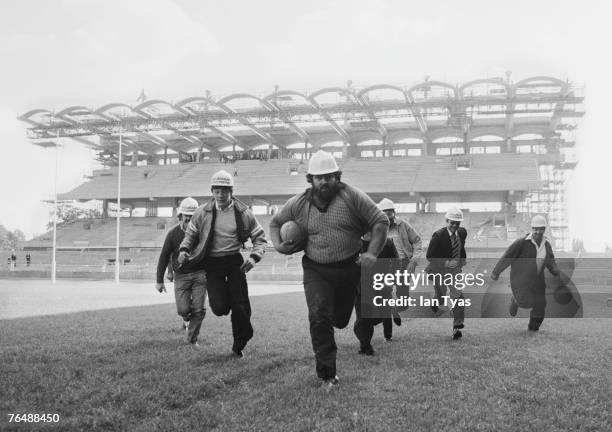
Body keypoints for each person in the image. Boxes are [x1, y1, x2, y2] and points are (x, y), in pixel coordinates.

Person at [269, 150, 389, 388]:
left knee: (340, 319)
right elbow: (275, 223)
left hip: (348, 267)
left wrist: (372, 253)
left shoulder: (352, 197)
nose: (324, 181)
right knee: (318, 315)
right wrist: (279, 246)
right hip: (316, 269)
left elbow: (381, 221)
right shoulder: (299, 203)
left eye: (329, 176)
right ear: (311, 179)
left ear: (337, 177)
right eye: (318, 177)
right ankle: (327, 374)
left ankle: (353, 325)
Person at [178, 170, 267, 358]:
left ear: (231, 191)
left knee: (240, 307)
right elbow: (190, 234)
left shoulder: (243, 213)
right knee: (219, 308)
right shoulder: (202, 212)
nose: (220, 195)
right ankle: (227, 301)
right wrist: (184, 250)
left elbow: (260, 238)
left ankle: (239, 345)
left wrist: (253, 257)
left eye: (224, 191)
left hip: (235, 262)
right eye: (216, 191)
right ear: (212, 191)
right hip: (213, 264)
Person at [490, 215, 560, 331]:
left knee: (541, 304)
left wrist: (554, 269)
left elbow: (550, 259)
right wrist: (496, 272)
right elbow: (508, 256)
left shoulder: (547, 245)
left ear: (544, 229)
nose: (538, 231)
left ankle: (533, 328)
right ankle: (515, 300)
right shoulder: (521, 243)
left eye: (541, 228)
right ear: (531, 228)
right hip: (520, 280)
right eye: (535, 228)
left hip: (538, 281)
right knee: (525, 303)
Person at [156, 197, 207, 346]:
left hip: (200, 274)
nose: (189, 221)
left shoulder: (202, 233)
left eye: (192, 218)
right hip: (181, 277)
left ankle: (192, 340)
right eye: (186, 218)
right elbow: (164, 256)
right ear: (180, 217)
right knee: (183, 309)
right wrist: (159, 280)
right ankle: (186, 319)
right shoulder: (172, 234)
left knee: (199, 309)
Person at [373, 198, 423, 340]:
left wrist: (414, 260)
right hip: (385, 267)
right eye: (385, 212)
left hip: (403, 265)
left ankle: (393, 309)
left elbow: (418, 241)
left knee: (404, 302)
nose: (389, 214)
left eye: (391, 211)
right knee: (383, 295)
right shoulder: (375, 228)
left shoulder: (403, 225)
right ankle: (388, 311)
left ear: (394, 213)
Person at [425, 207, 468, 340]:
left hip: (455, 272)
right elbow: (430, 255)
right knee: (441, 296)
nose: (455, 225)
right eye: (452, 222)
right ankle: (435, 301)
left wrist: (461, 261)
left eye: (457, 222)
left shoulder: (462, 232)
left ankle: (457, 327)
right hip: (440, 271)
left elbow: (461, 247)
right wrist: (446, 263)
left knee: (459, 298)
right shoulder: (438, 236)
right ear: (446, 221)